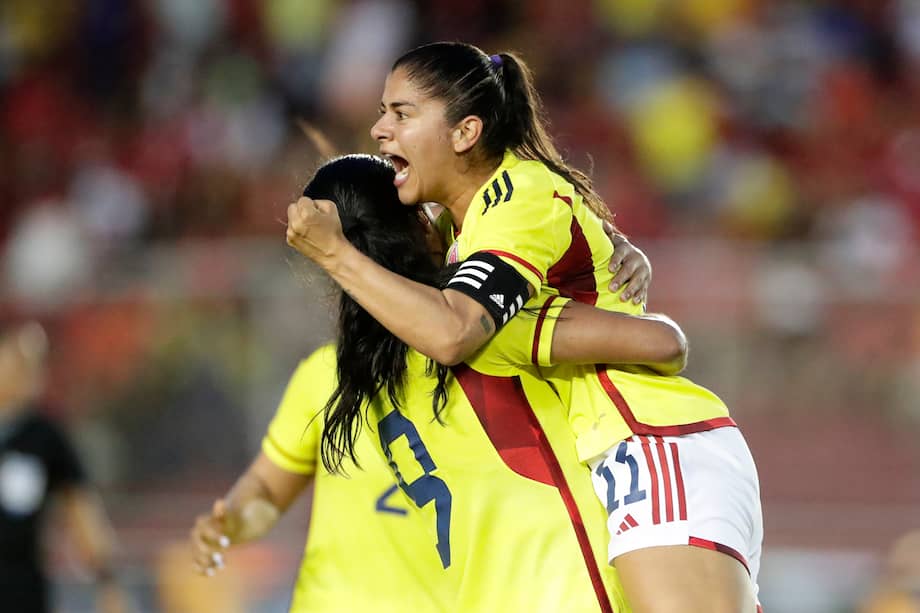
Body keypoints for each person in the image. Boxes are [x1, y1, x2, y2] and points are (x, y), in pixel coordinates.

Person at [285, 42, 762, 612]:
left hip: (649, 439)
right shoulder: (479, 227)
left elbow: (458, 330)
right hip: (624, 452)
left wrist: (337, 255)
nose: (380, 129)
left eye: (401, 113)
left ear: (464, 133)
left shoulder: (511, 202)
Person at [195, 154, 670, 612]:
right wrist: (612, 261)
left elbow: (265, 496)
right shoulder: (497, 338)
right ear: (424, 227)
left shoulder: (329, 376)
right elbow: (661, 343)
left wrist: (229, 525)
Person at [0, 321, 132, 613]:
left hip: (21, 595)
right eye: (17, 358)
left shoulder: (44, 437)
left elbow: (81, 511)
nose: (28, 370)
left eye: (35, 362)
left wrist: (107, 582)